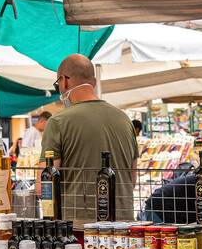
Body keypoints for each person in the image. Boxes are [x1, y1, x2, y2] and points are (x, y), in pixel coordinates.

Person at [41, 53, 138, 216]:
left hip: (79, 226)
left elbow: (45, 185)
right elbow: (132, 179)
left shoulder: (58, 121)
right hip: (124, 224)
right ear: (92, 82)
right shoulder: (124, 119)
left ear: (64, 81)